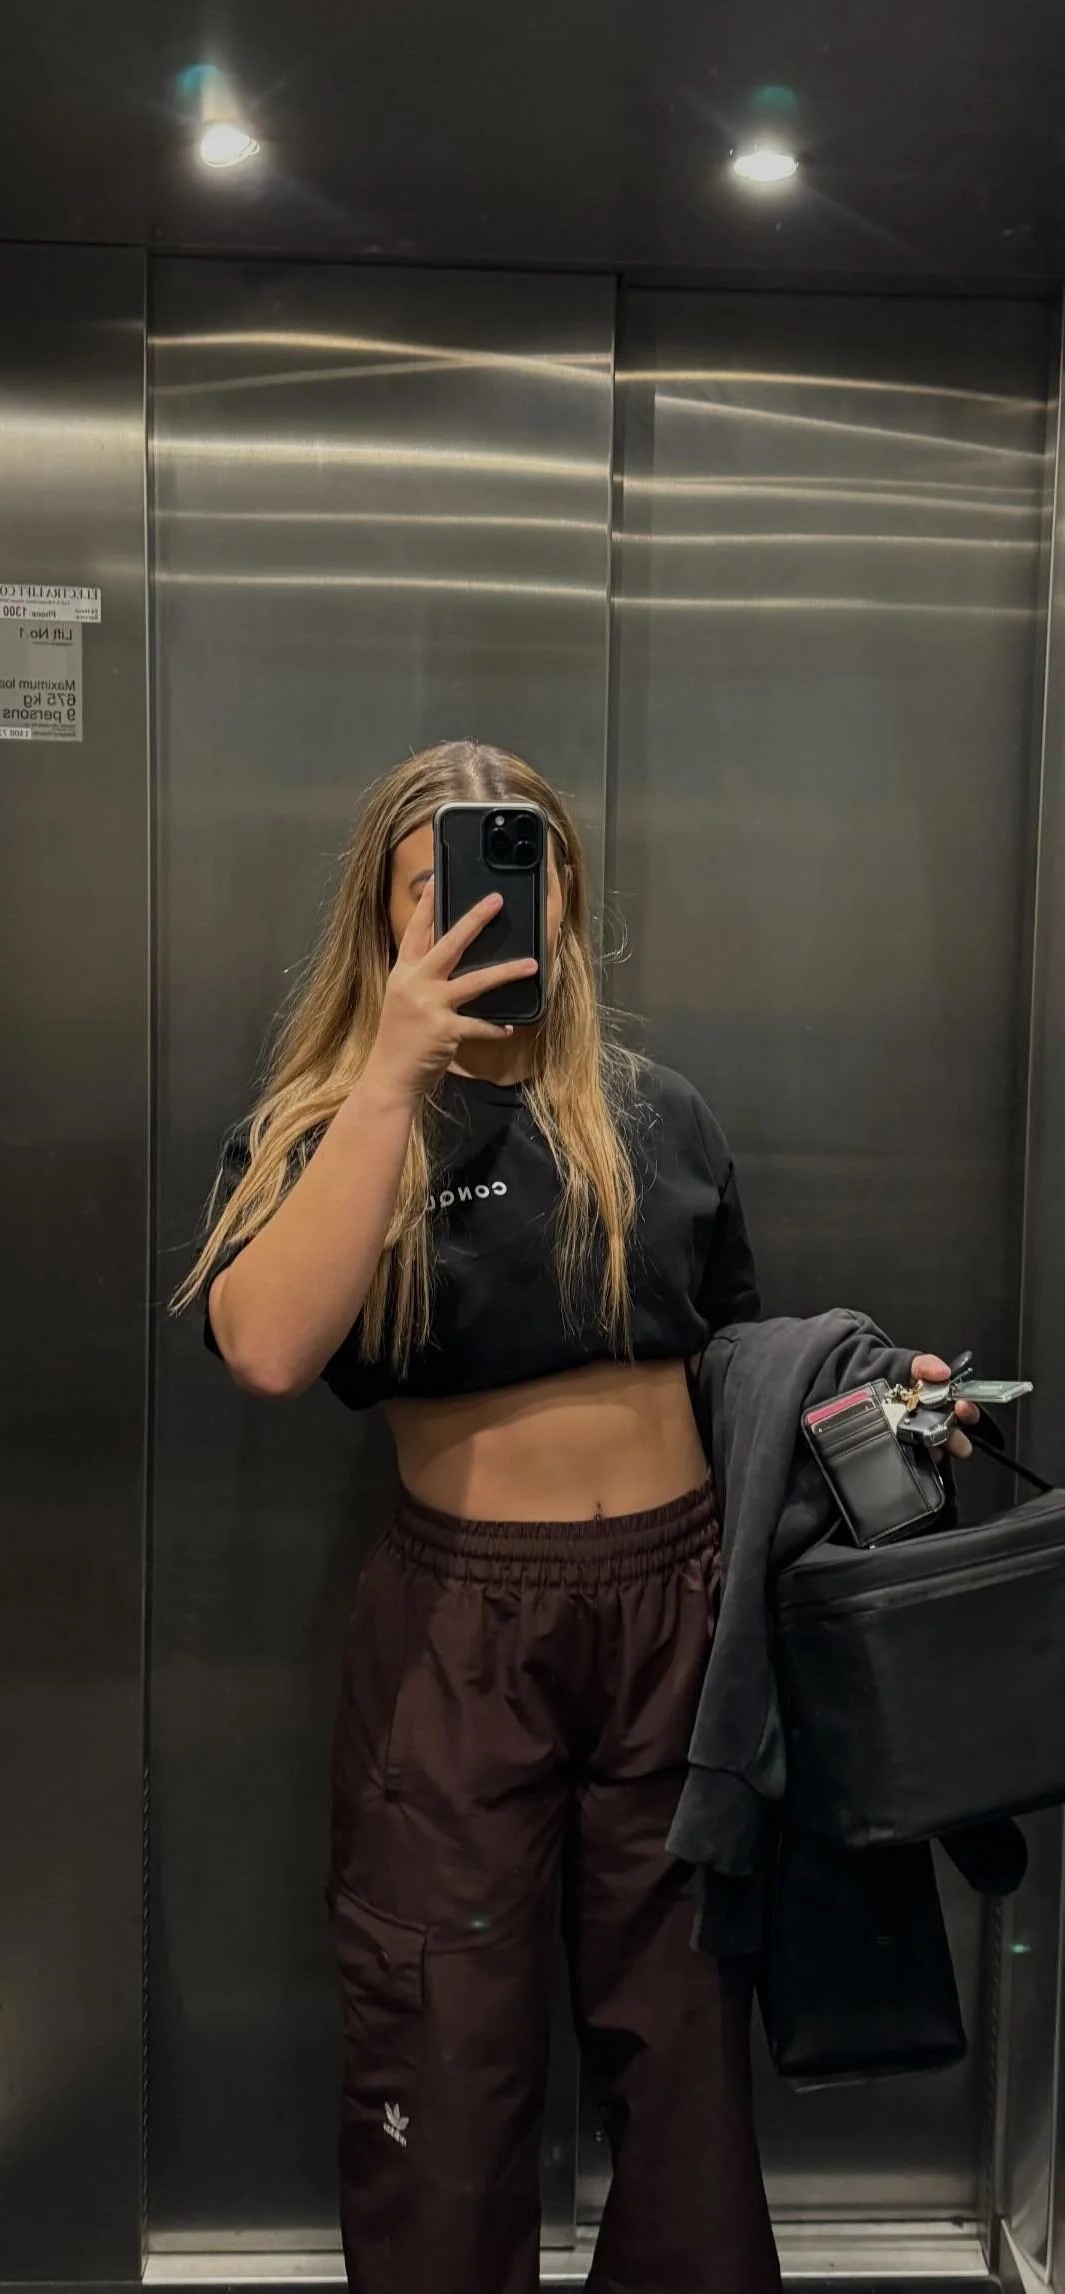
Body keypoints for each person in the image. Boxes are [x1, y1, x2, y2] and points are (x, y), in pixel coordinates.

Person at [179, 740, 973, 2294]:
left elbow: (724, 1357)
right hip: (460, 1637)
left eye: (515, 871)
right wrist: (394, 1070)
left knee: (685, 2049)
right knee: (442, 2043)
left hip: (678, 1620)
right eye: (436, 886)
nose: (482, 909)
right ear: (383, 917)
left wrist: (876, 1403)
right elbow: (265, 1346)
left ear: (564, 892)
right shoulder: (332, 1123)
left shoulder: (654, 1116)